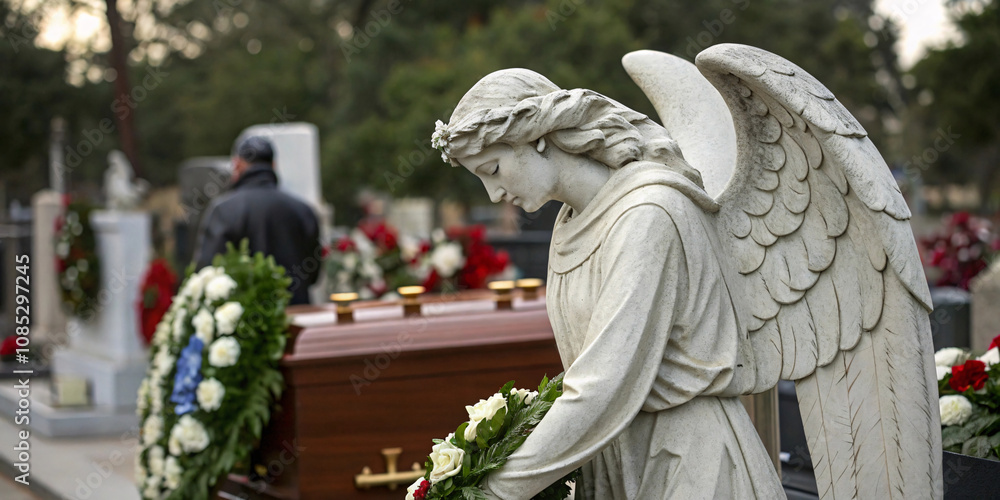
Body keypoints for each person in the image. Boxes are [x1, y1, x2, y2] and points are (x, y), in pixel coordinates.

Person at [433, 69, 784, 499]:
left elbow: (604, 384)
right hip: (613, 459)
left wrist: (495, 488)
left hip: (687, 464)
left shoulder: (649, 213)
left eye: (494, 169)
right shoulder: (567, 225)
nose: (493, 194)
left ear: (538, 137)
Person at [194, 136, 321, 305]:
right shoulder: (303, 210)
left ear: (237, 165)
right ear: (274, 166)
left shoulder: (224, 210)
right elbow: (313, 273)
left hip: (244, 322)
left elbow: (208, 272)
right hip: (298, 319)